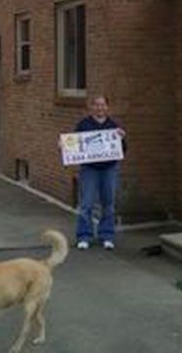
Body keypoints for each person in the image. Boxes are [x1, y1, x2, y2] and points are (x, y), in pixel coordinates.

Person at [73, 95, 125, 250]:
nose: (99, 108)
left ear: (107, 107)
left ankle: (106, 235)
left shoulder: (114, 126)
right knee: (86, 204)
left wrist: (122, 139)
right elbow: (74, 145)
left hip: (109, 168)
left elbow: (123, 150)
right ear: (92, 107)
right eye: (96, 105)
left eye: (102, 105)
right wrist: (64, 146)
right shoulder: (84, 124)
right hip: (90, 169)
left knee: (108, 204)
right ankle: (84, 236)